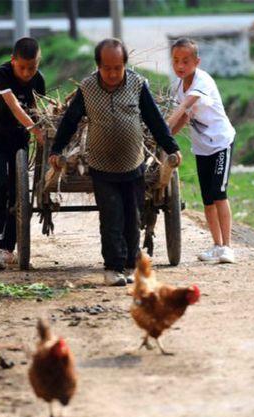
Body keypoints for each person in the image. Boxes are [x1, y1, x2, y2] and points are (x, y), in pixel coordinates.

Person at [50, 38, 181, 286]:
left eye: (118, 68)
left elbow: (154, 120)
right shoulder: (88, 88)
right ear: (98, 66)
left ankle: (131, 265)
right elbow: (70, 121)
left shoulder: (136, 84)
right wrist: (57, 148)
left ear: (125, 65)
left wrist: (171, 147)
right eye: (107, 68)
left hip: (133, 164)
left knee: (133, 216)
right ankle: (113, 268)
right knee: (111, 218)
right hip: (102, 165)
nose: (112, 74)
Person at [167, 38, 236, 264]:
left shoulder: (202, 81)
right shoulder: (179, 87)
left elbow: (185, 107)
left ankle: (227, 247)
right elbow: (185, 118)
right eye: (176, 61)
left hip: (220, 144)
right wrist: (166, 139)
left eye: (186, 61)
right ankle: (216, 245)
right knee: (207, 200)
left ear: (197, 62)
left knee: (219, 193)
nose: (180, 66)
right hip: (202, 148)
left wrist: (162, 129)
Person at [0, 37, 46, 270]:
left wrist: (45, 128)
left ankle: (11, 246)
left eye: (33, 67)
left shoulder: (39, 81)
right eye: (22, 67)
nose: (27, 73)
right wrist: (34, 128)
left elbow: (38, 111)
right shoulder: (1, 75)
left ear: (38, 63)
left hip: (19, 139)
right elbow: (13, 105)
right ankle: (0, 247)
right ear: (13, 61)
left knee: (18, 190)